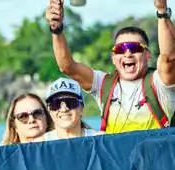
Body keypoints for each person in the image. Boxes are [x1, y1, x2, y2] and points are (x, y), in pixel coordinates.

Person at [47, 0, 175, 134]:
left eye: (135, 47)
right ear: (113, 58)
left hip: (154, 154)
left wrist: (162, 11)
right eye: (120, 49)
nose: (128, 53)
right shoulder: (104, 84)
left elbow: (169, 58)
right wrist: (56, 29)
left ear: (148, 55)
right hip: (116, 155)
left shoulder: (159, 83)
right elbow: (67, 67)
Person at [37, 78, 103, 141]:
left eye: (70, 102)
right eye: (56, 104)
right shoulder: (38, 146)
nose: (64, 109)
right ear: (49, 111)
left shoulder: (100, 140)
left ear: (81, 108)